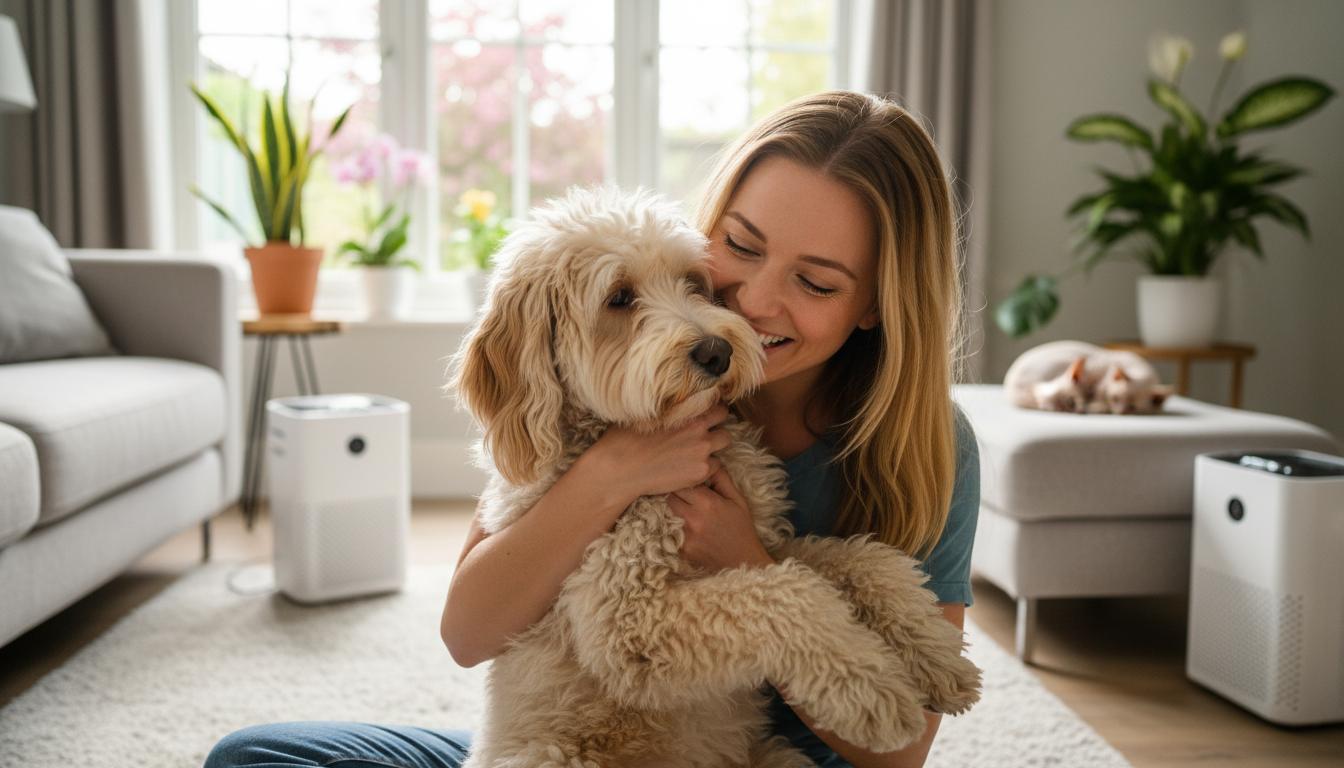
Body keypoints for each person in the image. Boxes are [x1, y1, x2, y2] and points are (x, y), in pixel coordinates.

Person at [205, 89, 979, 768]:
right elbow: (469, 634)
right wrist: (610, 474)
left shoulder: (926, 442)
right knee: (256, 756)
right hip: (580, 746)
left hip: (751, 750)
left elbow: (898, 754)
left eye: (814, 282)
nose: (750, 305)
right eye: (740, 247)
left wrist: (753, 562)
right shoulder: (622, 406)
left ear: (877, 303)